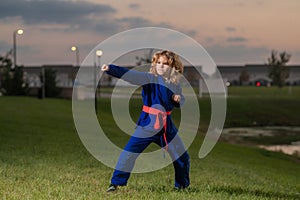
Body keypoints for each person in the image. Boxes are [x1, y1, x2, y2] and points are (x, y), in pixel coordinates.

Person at [101, 50, 190, 192]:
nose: (161, 66)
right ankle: (115, 183)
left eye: (165, 64)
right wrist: (111, 69)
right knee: (129, 153)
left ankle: (182, 186)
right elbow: (130, 75)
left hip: (167, 128)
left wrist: (177, 99)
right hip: (147, 125)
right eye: (158, 63)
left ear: (173, 67)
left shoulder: (174, 84)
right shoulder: (149, 78)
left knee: (182, 157)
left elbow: (181, 99)